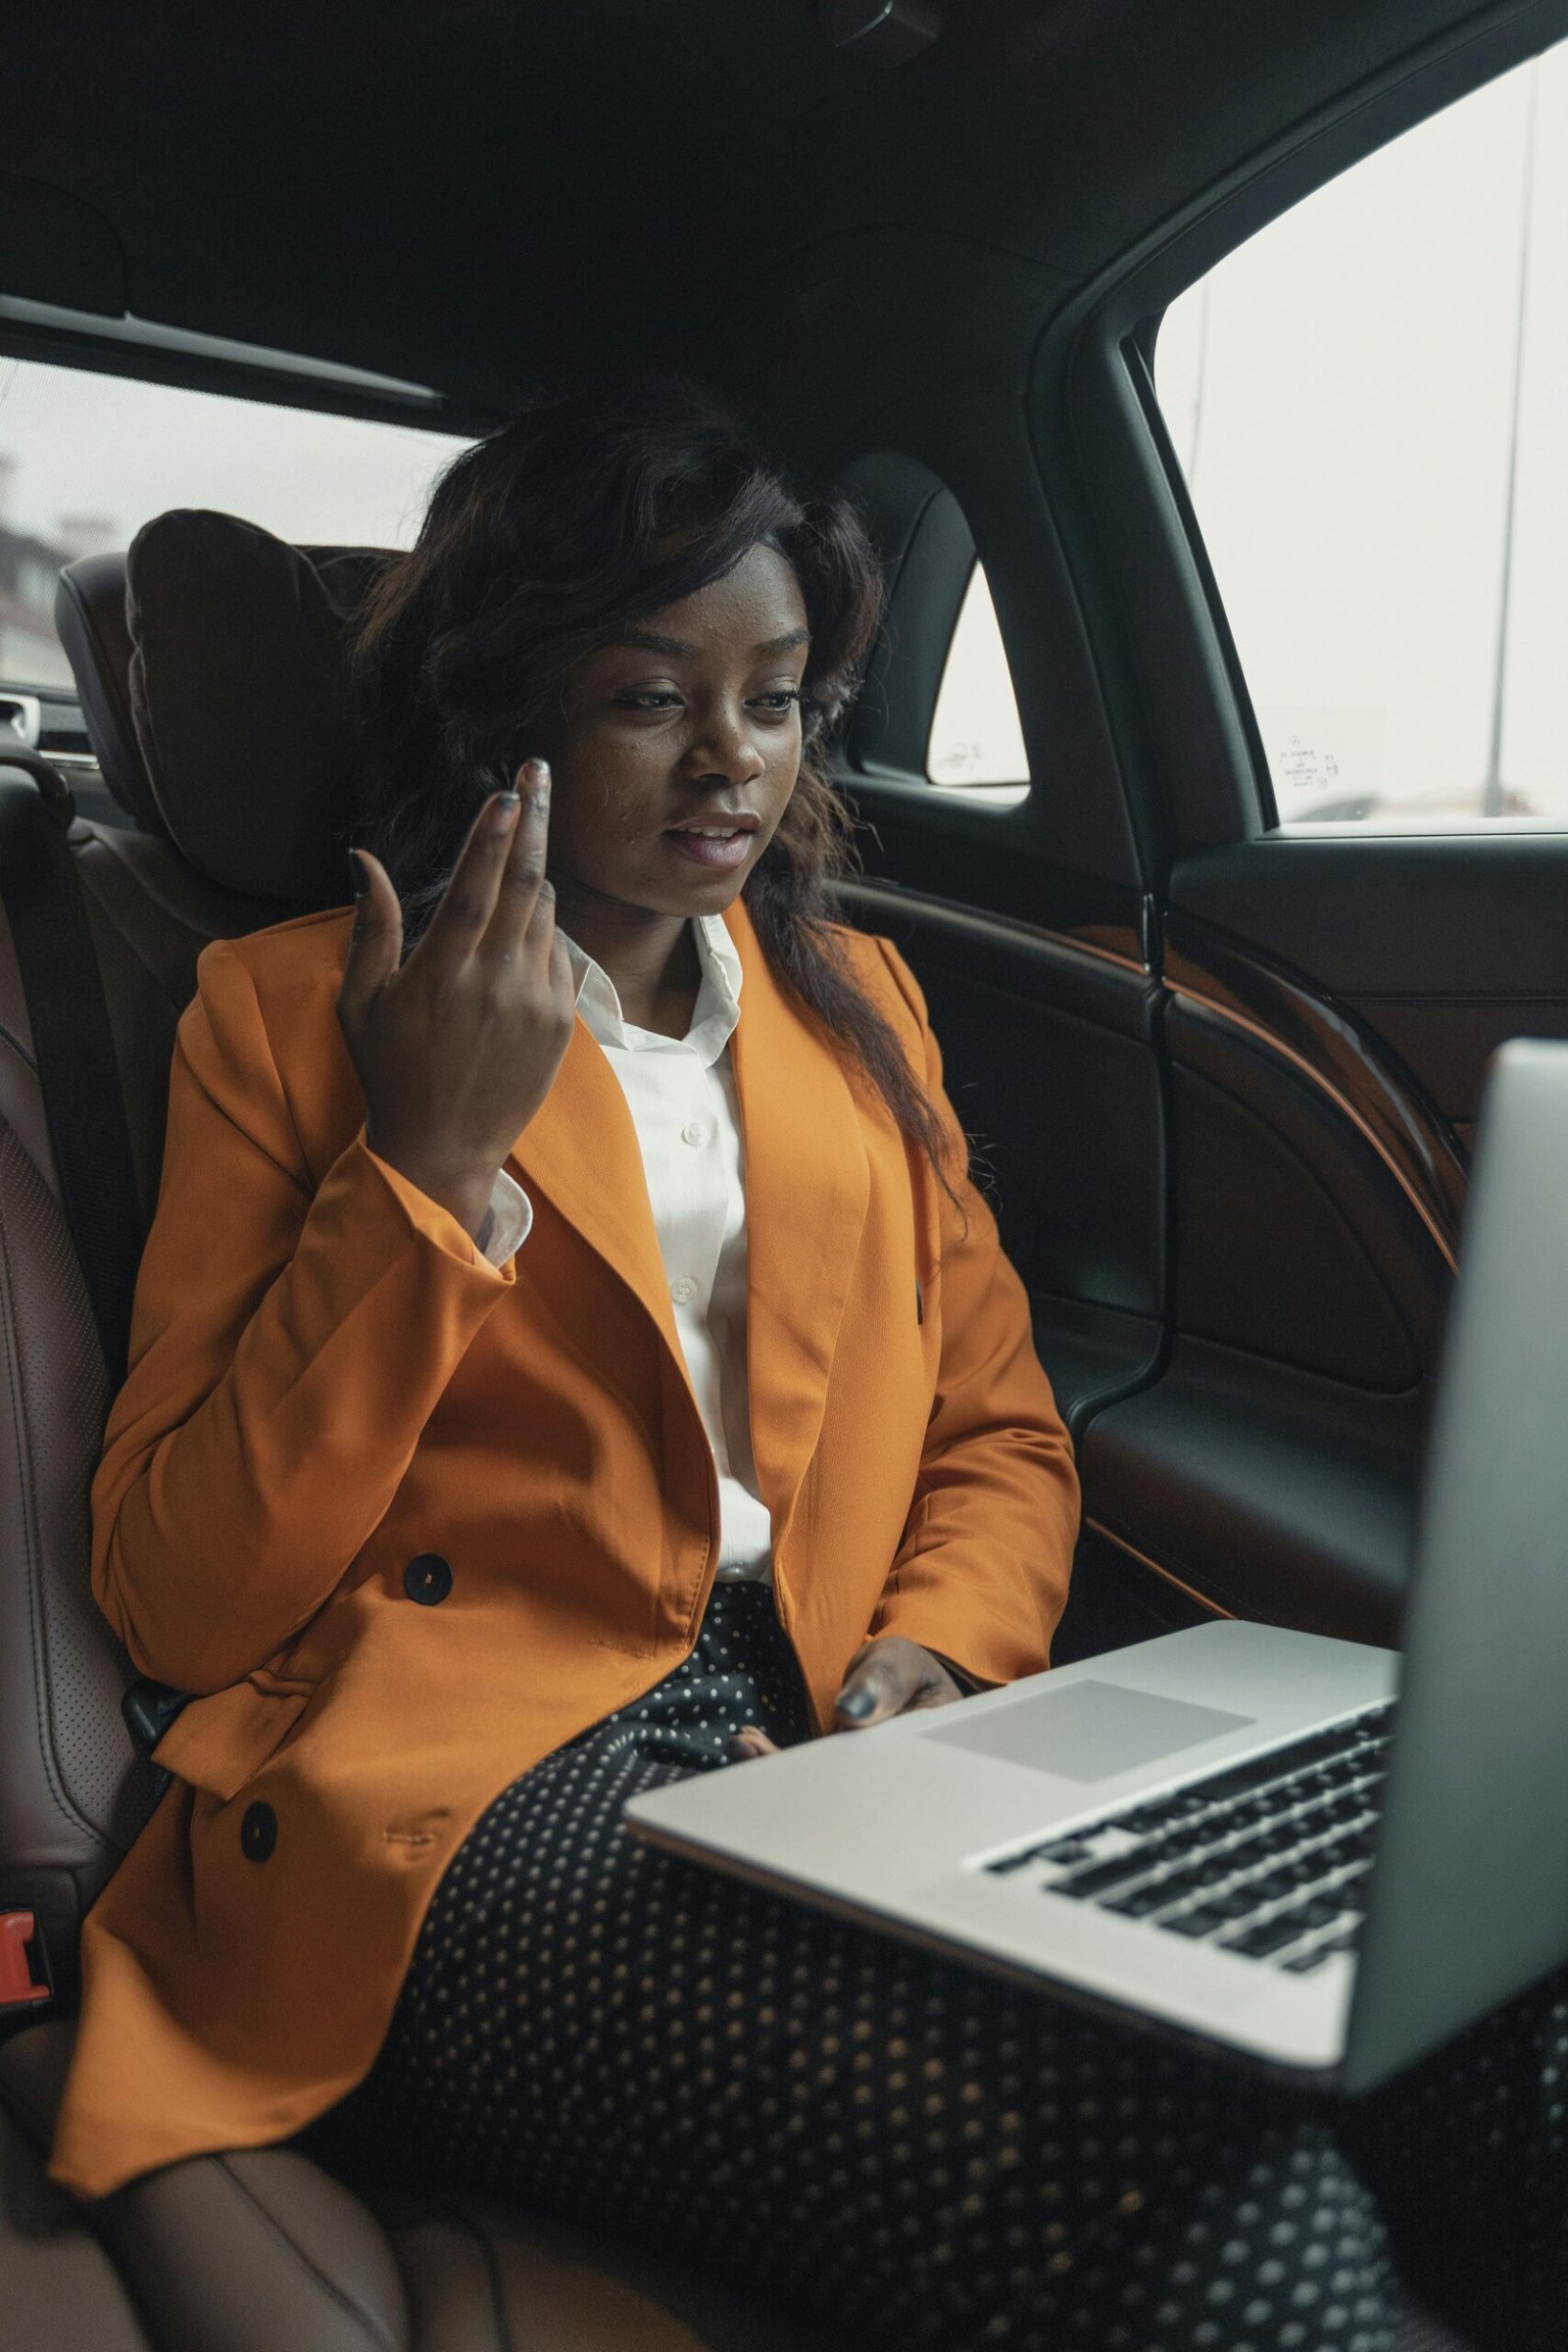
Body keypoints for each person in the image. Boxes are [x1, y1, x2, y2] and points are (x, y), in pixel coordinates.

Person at [51, 380, 1565, 2350]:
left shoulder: (862, 1016)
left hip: (851, 1742)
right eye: (645, 698)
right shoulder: (286, 1020)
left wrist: (932, 1655)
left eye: (773, 700)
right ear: (508, 712)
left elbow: (999, 1435)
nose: (726, 767)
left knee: (1493, 2044)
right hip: (465, 1801)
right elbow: (180, 1590)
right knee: (1211, 2200)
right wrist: (419, 1173)